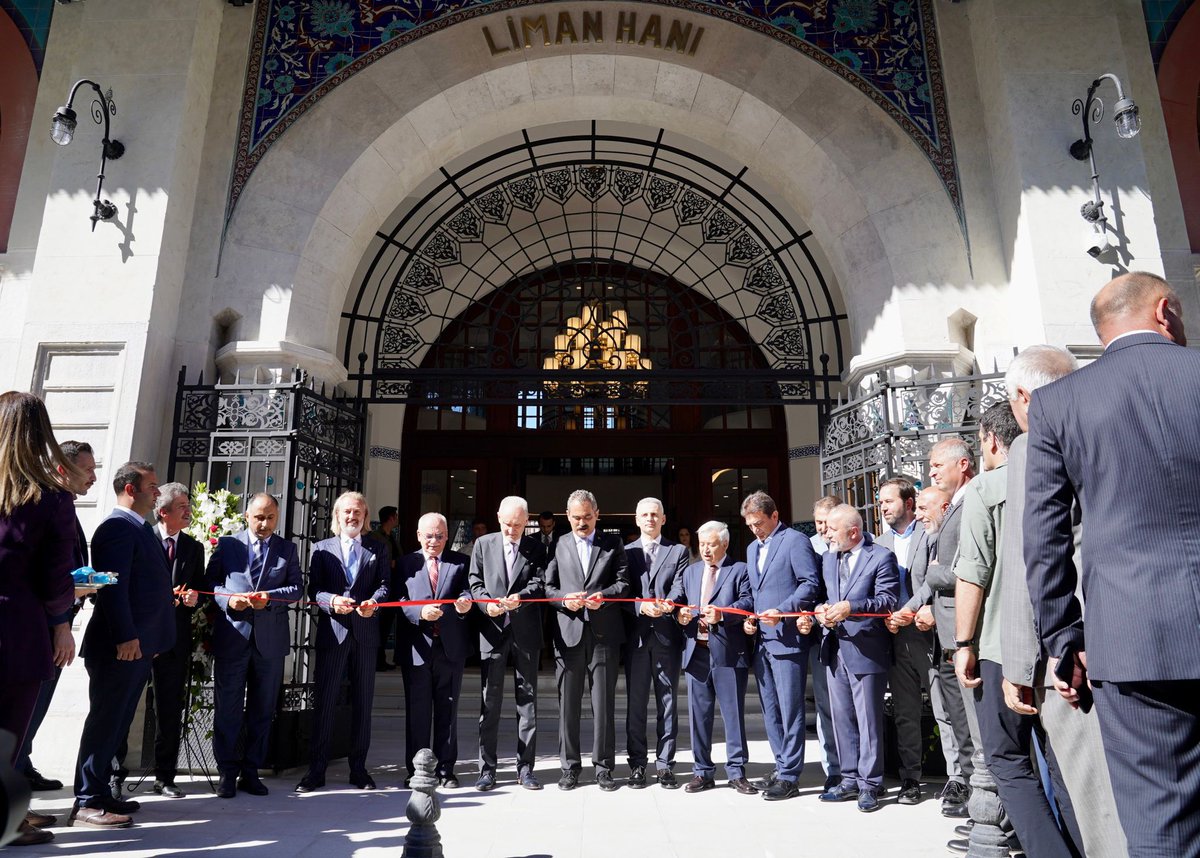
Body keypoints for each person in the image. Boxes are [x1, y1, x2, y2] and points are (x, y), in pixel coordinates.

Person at [1024, 271, 1199, 857]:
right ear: (1165, 310)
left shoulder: (1059, 403)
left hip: (1130, 638)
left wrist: (1063, 639)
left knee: (1159, 824)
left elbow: (1044, 539)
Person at [999, 345, 1127, 858]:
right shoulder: (1114, 429)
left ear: (1024, 396)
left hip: (1073, 656)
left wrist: (1019, 665)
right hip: (1138, 636)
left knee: (1100, 809)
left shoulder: (1033, 446)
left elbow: (1033, 559)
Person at [953, 402, 1078, 855]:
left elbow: (973, 573)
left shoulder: (985, 488)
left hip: (999, 644)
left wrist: (962, 643)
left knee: (1006, 760)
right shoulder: (1064, 471)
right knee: (1065, 761)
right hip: (1063, 636)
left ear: (989, 440)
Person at [71, 462, 174, 829]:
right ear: (131, 489)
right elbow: (114, 590)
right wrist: (126, 636)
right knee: (105, 721)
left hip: (139, 645)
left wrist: (152, 640)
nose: (157, 492)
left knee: (116, 724)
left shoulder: (140, 528)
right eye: (152, 486)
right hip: (120, 645)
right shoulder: (117, 527)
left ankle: (100, 791)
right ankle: (87, 798)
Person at [0, 393, 78, 846]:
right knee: (7, 736)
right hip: (17, 630)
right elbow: (55, 577)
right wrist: (62, 623)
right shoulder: (49, 499)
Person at [207, 493, 301, 798]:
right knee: (228, 708)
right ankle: (227, 771)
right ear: (247, 516)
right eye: (259, 517)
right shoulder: (228, 544)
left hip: (269, 642)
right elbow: (210, 584)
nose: (264, 523)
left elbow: (297, 587)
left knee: (262, 709)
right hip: (233, 637)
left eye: (270, 517)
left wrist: (270, 598)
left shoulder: (287, 548)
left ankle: (251, 771)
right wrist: (228, 599)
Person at [16, 439, 96, 796]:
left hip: (53, 621)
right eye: (88, 469)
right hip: (43, 627)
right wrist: (61, 624)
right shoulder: (46, 503)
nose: (94, 477)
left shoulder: (65, 507)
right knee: (24, 710)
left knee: (33, 711)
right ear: (64, 468)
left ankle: (22, 766)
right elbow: (48, 574)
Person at [905, 438, 979, 818]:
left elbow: (970, 569)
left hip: (963, 637)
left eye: (936, 465)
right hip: (940, 641)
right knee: (952, 718)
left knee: (974, 726)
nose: (930, 472)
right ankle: (971, 791)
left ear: (962, 464)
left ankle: (984, 804)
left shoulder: (971, 503)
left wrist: (934, 584)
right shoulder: (935, 527)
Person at [297, 491, 388, 793]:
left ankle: (358, 769)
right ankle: (316, 769)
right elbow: (314, 590)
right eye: (347, 512)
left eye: (358, 512)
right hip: (333, 632)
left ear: (365, 517)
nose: (352, 517)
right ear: (337, 516)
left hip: (364, 633)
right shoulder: (322, 548)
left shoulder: (378, 547)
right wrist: (333, 601)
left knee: (363, 702)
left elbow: (386, 585)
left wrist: (373, 602)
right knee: (325, 701)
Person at [813, 504, 898, 813]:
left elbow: (887, 600)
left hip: (867, 650)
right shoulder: (828, 558)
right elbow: (827, 597)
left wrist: (852, 606)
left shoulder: (881, 557)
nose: (826, 533)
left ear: (853, 531)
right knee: (842, 718)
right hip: (835, 649)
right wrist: (822, 610)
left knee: (868, 721)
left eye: (832, 529)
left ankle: (870, 783)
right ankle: (848, 779)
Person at [544, 489, 630, 791]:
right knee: (567, 705)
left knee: (603, 705)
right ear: (567, 517)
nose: (582, 522)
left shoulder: (612, 543)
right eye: (577, 517)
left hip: (604, 634)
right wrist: (564, 600)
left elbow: (624, 583)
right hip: (568, 634)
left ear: (597, 514)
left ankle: (604, 767)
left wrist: (603, 598)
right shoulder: (559, 544)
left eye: (588, 517)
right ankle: (569, 768)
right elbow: (548, 587)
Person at [739, 490, 820, 801]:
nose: (755, 530)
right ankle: (780, 764)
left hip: (787, 638)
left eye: (759, 523)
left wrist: (783, 610)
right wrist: (750, 616)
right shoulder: (750, 549)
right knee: (770, 709)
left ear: (774, 516)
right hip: (762, 641)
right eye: (750, 525)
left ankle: (790, 775)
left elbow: (809, 583)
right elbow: (755, 592)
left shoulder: (795, 541)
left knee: (790, 708)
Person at [672, 521, 756, 795]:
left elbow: (747, 603)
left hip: (728, 653)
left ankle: (736, 771)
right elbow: (681, 600)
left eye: (711, 544)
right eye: (702, 544)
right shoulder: (691, 571)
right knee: (699, 716)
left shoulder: (740, 570)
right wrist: (679, 614)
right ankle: (702, 771)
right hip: (697, 651)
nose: (706, 550)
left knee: (733, 715)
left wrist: (723, 613)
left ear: (725, 544)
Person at [469, 496, 545, 791]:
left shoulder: (537, 547)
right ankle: (487, 769)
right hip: (492, 629)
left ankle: (525, 769)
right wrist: (486, 605)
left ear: (527, 521)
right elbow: (475, 582)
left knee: (527, 702)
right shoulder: (483, 544)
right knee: (490, 702)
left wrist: (521, 598)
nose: (511, 529)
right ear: (498, 517)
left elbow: (540, 582)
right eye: (507, 523)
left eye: (517, 524)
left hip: (525, 631)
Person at [396, 512, 472, 787]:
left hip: (450, 648)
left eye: (440, 536)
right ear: (418, 536)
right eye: (429, 536)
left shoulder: (460, 562)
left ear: (447, 536)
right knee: (417, 712)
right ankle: (417, 770)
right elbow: (399, 600)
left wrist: (464, 603)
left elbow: (467, 591)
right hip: (417, 647)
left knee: (447, 712)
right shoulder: (406, 563)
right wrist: (419, 612)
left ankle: (445, 769)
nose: (434, 541)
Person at [623, 497, 689, 789]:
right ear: (637, 520)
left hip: (666, 635)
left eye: (655, 515)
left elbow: (680, 585)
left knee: (668, 702)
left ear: (663, 519)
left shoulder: (678, 551)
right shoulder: (624, 552)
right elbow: (621, 591)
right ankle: (637, 764)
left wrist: (668, 604)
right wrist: (639, 606)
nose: (650, 519)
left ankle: (665, 764)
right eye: (644, 515)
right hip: (636, 637)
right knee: (635, 704)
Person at [876, 477, 933, 805]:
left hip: (927, 633)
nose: (883, 507)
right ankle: (911, 777)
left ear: (909, 503)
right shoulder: (879, 542)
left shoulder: (929, 533)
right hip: (894, 636)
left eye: (889, 501)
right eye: (881, 502)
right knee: (905, 712)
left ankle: (959, 778)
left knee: (944, 709)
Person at [145, 483, 203, 798]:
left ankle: (164, 776)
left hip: (174, 641)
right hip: (138, 641)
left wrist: (194, 597)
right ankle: (114, 774)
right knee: (126, 708)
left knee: (169, 710)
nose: (188, 510)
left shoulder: (194, 548)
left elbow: (202, 591)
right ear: (163, 511)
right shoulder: (144, 539)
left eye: (188, 504)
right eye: (182, 505)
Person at [806, 494, 843, 792]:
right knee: (825, 705)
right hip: (821, 637)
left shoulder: (864, 543)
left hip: (855, 636)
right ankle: (833, 767)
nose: (820, 529)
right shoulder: (810, 547)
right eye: (817, 522)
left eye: (825, 522)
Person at [371, 505, 400, 672]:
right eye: (395, 516)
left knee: (386, 623)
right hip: (380, 586)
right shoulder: (377, 537)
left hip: (393, 586)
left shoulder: (392, 537)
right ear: (391, 518)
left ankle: (381, 659)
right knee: (379, 625)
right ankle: (377, 659)